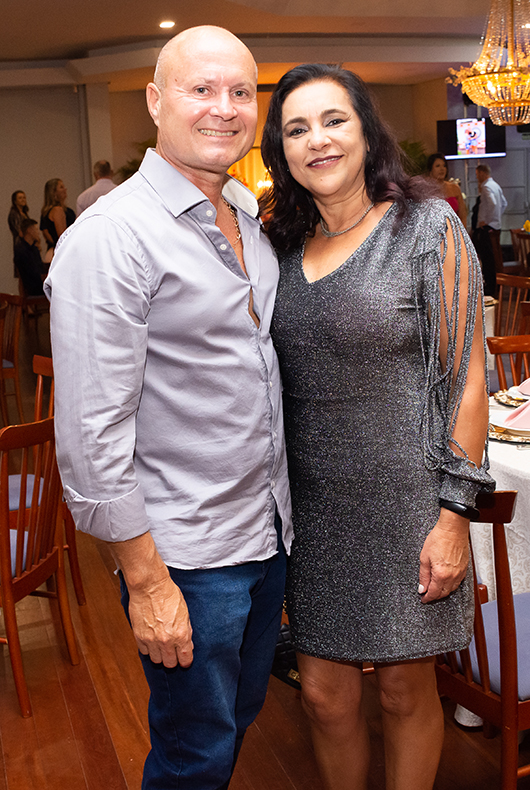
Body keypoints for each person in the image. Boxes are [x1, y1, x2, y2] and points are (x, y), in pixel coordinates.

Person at [44, 25, 292, 790]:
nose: (225, 107)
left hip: (265, 532)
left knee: (234, 722)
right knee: (194, 755)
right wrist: (148, 584)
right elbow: (91, 435)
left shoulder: (246, 213)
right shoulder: (111, 237)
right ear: (156, 101)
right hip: (187, 558)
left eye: (241, 91)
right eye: (201, 89)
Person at [260, 64, 494, 790]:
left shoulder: (426, 228)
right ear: (282, 152)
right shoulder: (279, 248)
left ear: (366, 131)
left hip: (410, 506)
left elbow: (468, 381)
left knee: (402, 692)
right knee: (324, 697)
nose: (318, 140)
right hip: (313, 511)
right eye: (297, 129)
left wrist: (454, 517)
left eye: (334, 120)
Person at [473, 163, 508, 296]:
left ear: (482, 173)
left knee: (487, 258)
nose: (477, 178)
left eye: (477, 175)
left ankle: (489, 286)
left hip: (487, 227)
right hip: (496, 226)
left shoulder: (486, 187)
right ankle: (495, 286)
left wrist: (486, 221)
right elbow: (504, 203)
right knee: (493, 257)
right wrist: (497, 217)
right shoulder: (496, 185)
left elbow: (493, 203)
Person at [426, 152, 468, 227]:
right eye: (437, 166)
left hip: (454, 230)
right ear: (430, 170)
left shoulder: (454, 188)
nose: (442, 169)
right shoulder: (425, 190)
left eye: (444, 166)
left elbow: (463, 215)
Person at [40, 178, 75, 259]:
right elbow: (62, 235)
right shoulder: (57, 210)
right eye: (61, 187)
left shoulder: (46, 211)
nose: (65, 189)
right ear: (54, 192)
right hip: (63, 251)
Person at [14, 218, 45, 296]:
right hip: (33, 289)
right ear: (29, 230)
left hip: (39, 285)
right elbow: (32, 273)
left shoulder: (34, 249)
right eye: (36, 229)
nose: (38, 232)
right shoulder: (22, 252)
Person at [8, 190, 30, 276]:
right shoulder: (14, 214)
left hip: (27, 244)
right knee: (22, 272)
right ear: (15, 201)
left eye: (24, 197)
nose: (23, 200)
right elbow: (19, 230)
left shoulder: (24, 213)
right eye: (20, 198)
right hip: (21, 244)